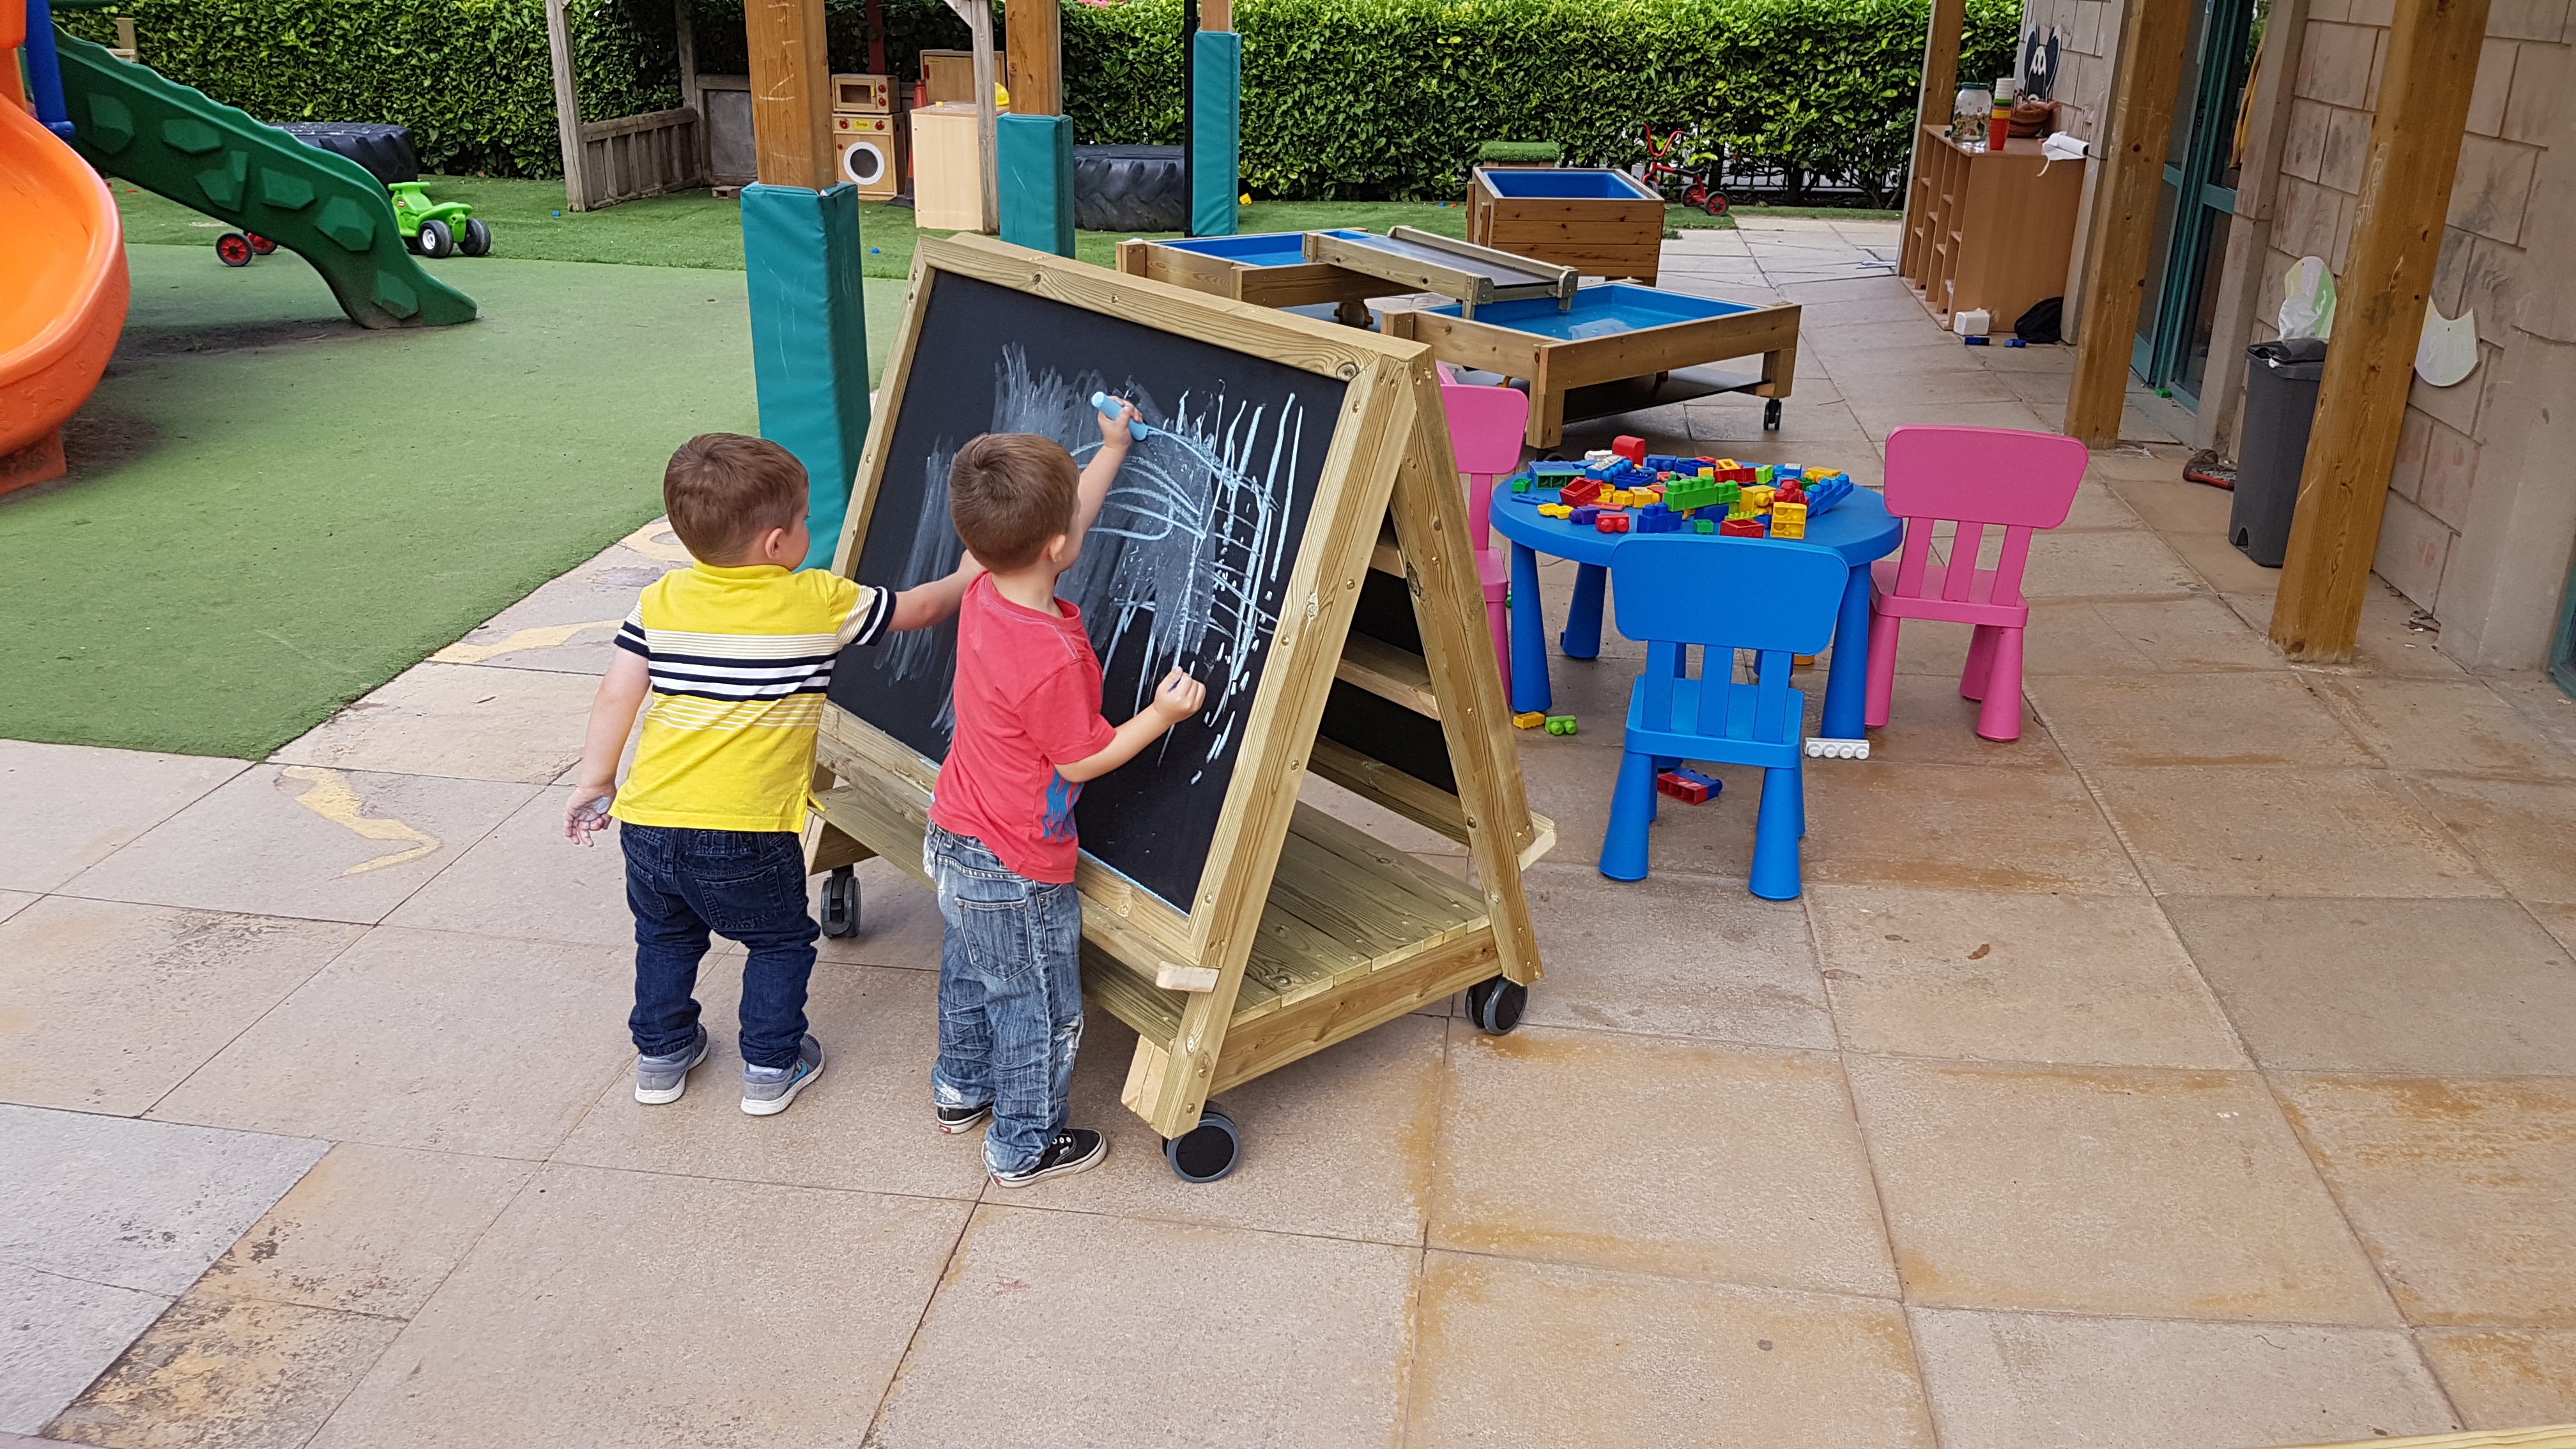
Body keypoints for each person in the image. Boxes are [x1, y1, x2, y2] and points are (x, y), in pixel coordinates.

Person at [565, 433, 978, 1116]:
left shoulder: (662, 600)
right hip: (748, 830)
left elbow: (617, 692)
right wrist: (968, 575)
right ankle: (771, 1064)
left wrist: (596, 780)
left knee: (665, 936)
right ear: (776, 545)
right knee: (779, 941)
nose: (811, 533)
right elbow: (919, 610)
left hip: (649, 821)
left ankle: (661, 1057)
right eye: (806, 522)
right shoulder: (818, 601)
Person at [927, 401, 1205, 1187]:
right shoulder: (1046, 656)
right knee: (1037, 1006)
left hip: (957, 831)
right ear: (1058, 550)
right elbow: (1084, 760)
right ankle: (1023, 1142)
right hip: (1016, 861)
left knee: (970, 968)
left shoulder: (985, 580)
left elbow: (1062, 521)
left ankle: (960, 1087)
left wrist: (1112, 449)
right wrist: (1162, 713)